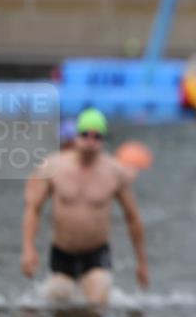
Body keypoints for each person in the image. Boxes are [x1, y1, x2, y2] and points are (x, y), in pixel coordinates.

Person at [21, 108, 149, 305]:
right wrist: (28, 249)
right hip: (62, 252)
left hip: (96, 253)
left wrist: (141, 263)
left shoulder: (115, 172)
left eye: (97, 136)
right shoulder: (54, 166)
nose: (90, 141)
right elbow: (33, 208)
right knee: (57, 299)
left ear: (103, 140)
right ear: (76, 136)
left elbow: (132, 217)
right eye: (85, 134)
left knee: (97, 302)